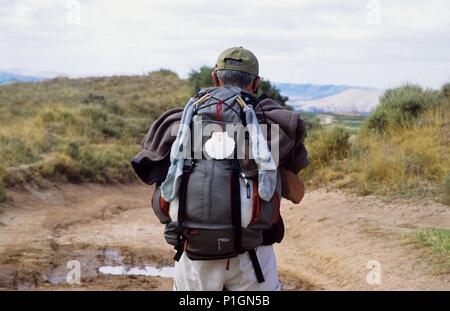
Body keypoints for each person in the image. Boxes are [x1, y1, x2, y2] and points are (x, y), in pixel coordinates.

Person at [131, 47, 309, 291]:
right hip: (253, 259)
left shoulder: (178, 123)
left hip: (193, 256)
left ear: (215, 78)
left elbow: (163, 187)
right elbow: (297, 195)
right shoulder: (273, 124)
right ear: (256, 83)